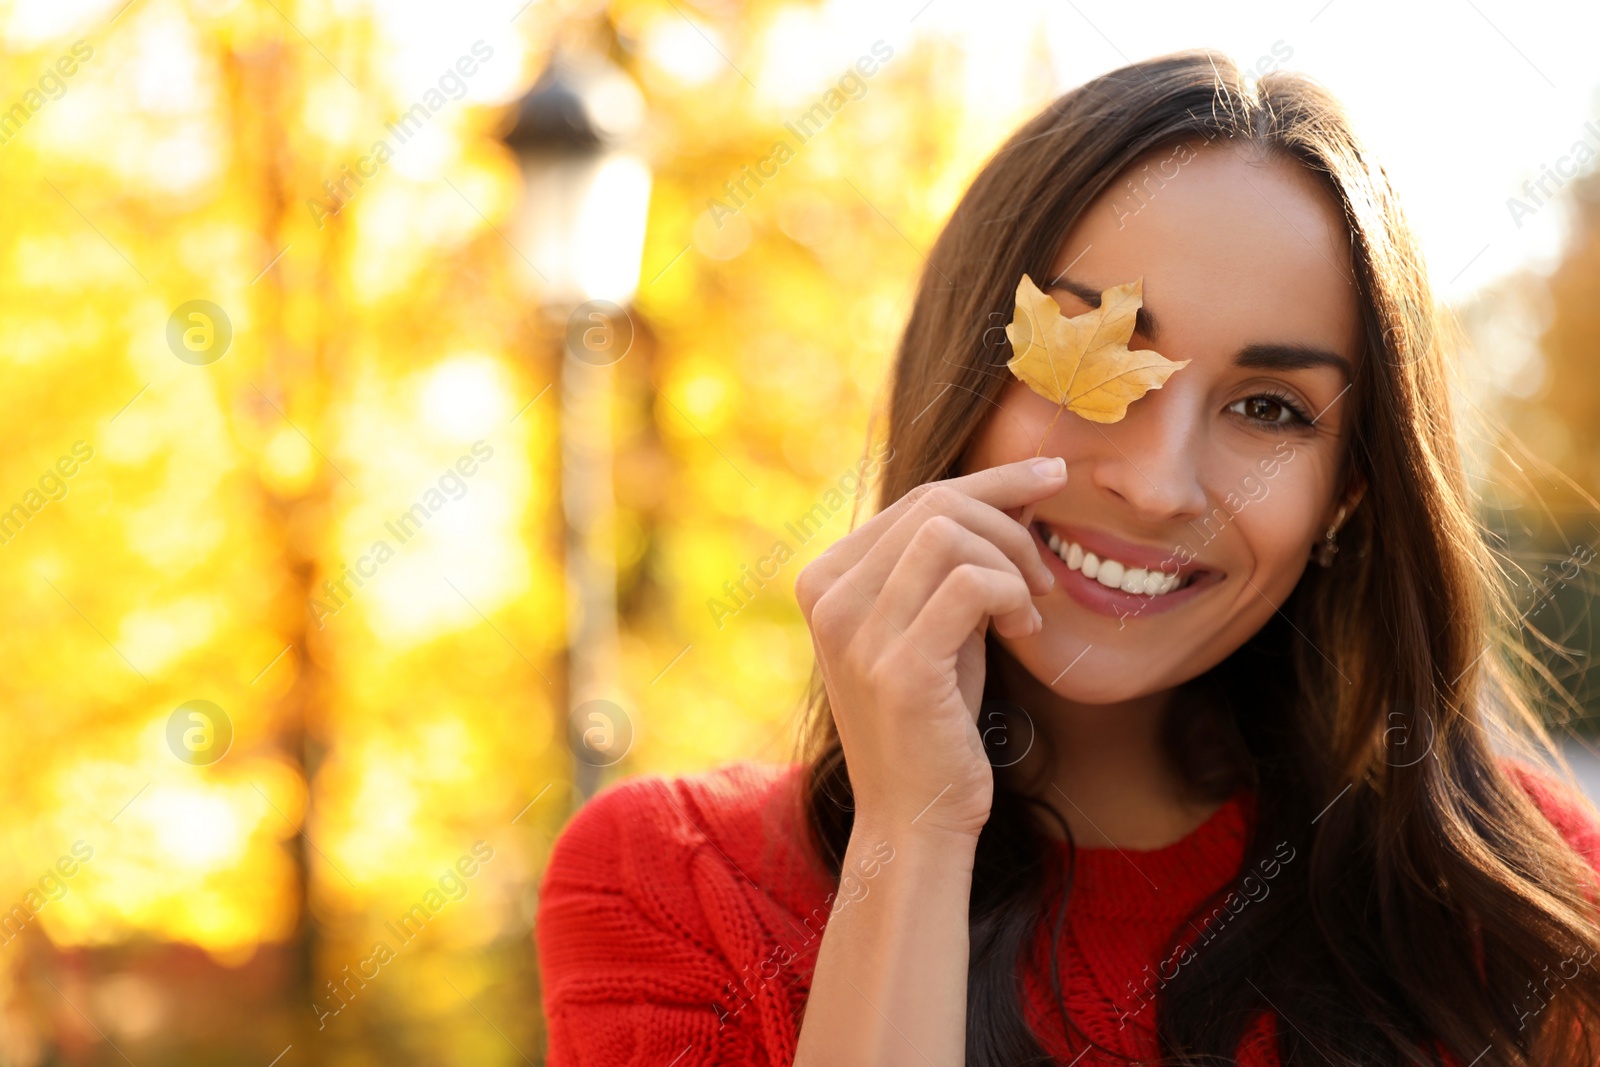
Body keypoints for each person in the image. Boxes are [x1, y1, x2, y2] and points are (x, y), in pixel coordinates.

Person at [535, 49, 1600, 1066]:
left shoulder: (1525, 903)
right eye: (1094, 357)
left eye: (1267, 408)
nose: (1158, 481)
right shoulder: (664, 884)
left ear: (1349, 491)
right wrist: (910, 836)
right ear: (961, 372)